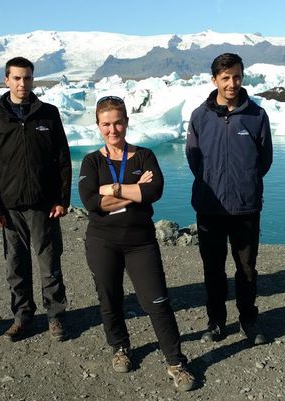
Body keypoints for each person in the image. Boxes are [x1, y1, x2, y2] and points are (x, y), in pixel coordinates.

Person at [78, 96, 195, 391]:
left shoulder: (144, 156)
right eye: (106, 124)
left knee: (157, 301)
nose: (112, 129)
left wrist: (113, 188)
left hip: (140, 242)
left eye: (118, 122)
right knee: (110, 298)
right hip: (102, 241)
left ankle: (176, 362)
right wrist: (134, 190)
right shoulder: (92, 160)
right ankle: (119, 347)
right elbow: (92, 203)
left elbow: (154, 191)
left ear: (127, 122)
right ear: (98, 126)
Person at [0, 57, 71, 342]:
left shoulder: (48, 113)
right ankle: (22, 316)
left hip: (44, 205)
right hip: (10, 207)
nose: (22, 83)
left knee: (49, 264)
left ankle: (55, 316)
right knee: (16, 267)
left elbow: (63, 159)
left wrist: (62, 199)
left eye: (27, 78)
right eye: (17, 78)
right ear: (6, 80)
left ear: (33, 80)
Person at [186, 53, 273, 345]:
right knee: (213, 268)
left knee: (247, 268)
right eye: (225, 78)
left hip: (245, 206)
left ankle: (248, 318)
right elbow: (193, 159)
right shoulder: (200, 116)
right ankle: (216, 321)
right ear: (215, 80)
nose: (232, 83)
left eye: (236, 76)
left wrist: (244, 182)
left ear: (242, 77)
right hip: (210, 207)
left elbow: (265, 160)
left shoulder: (257, 115)